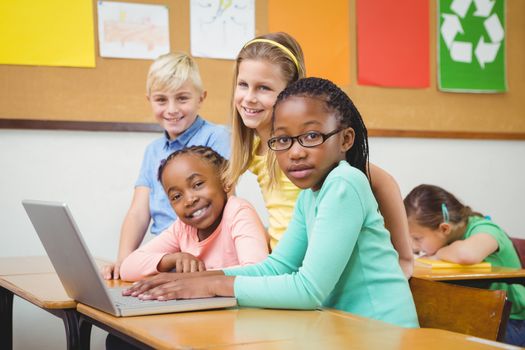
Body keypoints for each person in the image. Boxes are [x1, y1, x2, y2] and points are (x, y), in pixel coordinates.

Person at [123, 77, 419, 329]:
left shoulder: (345, 183)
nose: (296, 152)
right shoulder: (311, 195)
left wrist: (211, 285)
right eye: (282, 140)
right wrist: (200, 280)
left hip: (383, 333)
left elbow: (308, 290)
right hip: (344, 330)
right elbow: (277, 266)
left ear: (345, 139)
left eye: (311, 136)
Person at [225, 32, 413, 277]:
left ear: (290, 93)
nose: (249, 98)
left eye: (263, 88)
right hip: (285, 267)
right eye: (243, 85)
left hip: (319, 271)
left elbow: (383, 182)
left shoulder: (313, 149)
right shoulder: (251, 148)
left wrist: (405, 257)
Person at [103, 53, 230, 280]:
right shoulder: (153, 151)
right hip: (164, 256)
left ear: (201, 98)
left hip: (202, 257)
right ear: (149, 100)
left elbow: (226, 204)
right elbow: (138, 212)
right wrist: (123, 261)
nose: (171, 109)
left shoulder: (216, 137)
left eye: (182, 98)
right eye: (161, 100)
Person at [118, 146, 268, 281]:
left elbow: (258, 272)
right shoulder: (182, 229)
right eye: (176, 196)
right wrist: (171, 260)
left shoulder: (238, 211)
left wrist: (191, 280)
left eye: (197, 184)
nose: (189, 200)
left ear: (225, 181)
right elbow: (127, 268)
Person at [404, 184, 525, 346]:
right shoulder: (448, 239)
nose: (413, 246)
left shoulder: (486, 229)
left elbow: (467, 254)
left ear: (444, 228)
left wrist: (437, 254)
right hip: (478, 317)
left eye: (417, 238)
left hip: (513, 321)